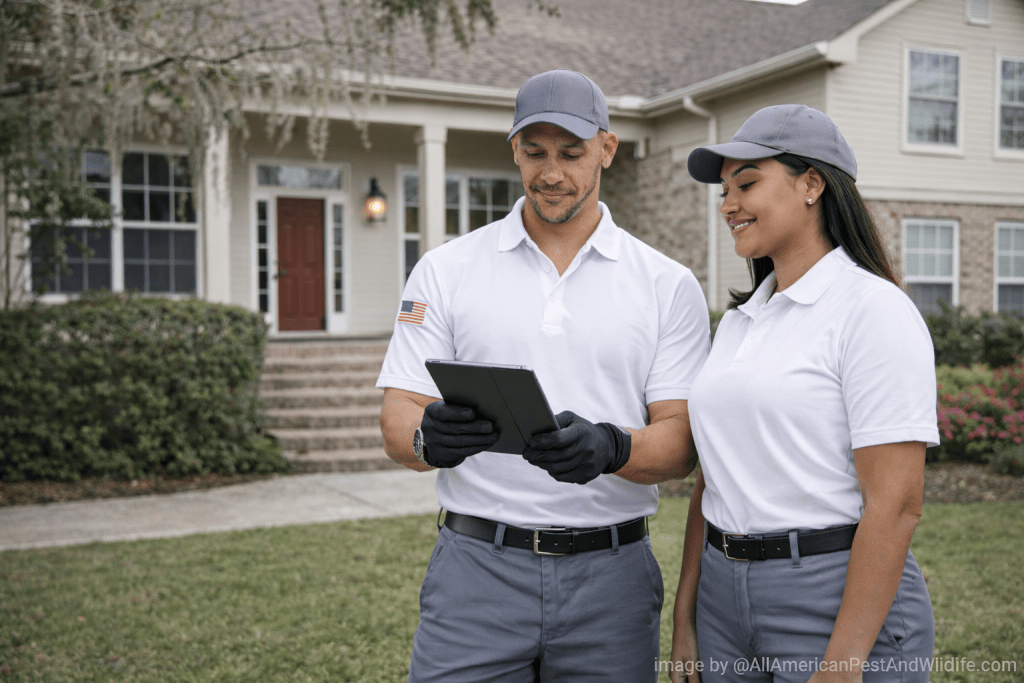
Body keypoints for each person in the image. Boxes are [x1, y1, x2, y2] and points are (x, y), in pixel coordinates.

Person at [377, 68, 710, 682]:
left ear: (607, 149)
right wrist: (429, 438)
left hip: (611, 577)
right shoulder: (445, 270)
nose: (550, 173)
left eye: (571, 153)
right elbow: (399, 414)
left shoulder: (666, 284)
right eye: (534, 153)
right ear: (515, 151)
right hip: (475, 569)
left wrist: (611, 447)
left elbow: (682, 442)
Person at [668, 104, 938, 683]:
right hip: (722, 599)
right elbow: (713, 478)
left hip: (831, 597)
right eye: (724, 191)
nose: (728, 205)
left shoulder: (873, 311)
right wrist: (685, 615)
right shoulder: (740, 321)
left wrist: (841, 666)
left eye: (747, 183)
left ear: (811, 183)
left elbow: (896, 506)